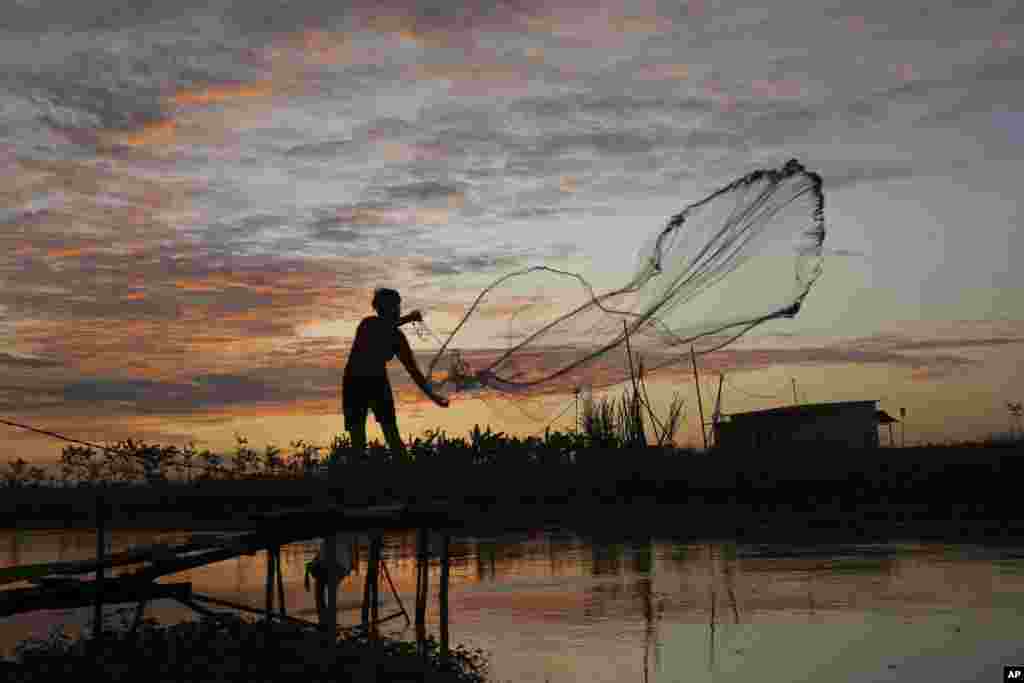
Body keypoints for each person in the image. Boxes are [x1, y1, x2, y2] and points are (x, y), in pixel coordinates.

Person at [342, 287, 449, 460]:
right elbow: (383, 326)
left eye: (397, 305)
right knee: (357, 440)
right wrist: (409, 318)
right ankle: (358, 479)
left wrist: (433, 396)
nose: (397, 309)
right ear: (380, 308)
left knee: (392, 434)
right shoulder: (368, 324)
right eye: (394, 306)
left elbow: (413, 370)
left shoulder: (397, 337)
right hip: (355, 382)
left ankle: (403, 476)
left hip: (378, 382)